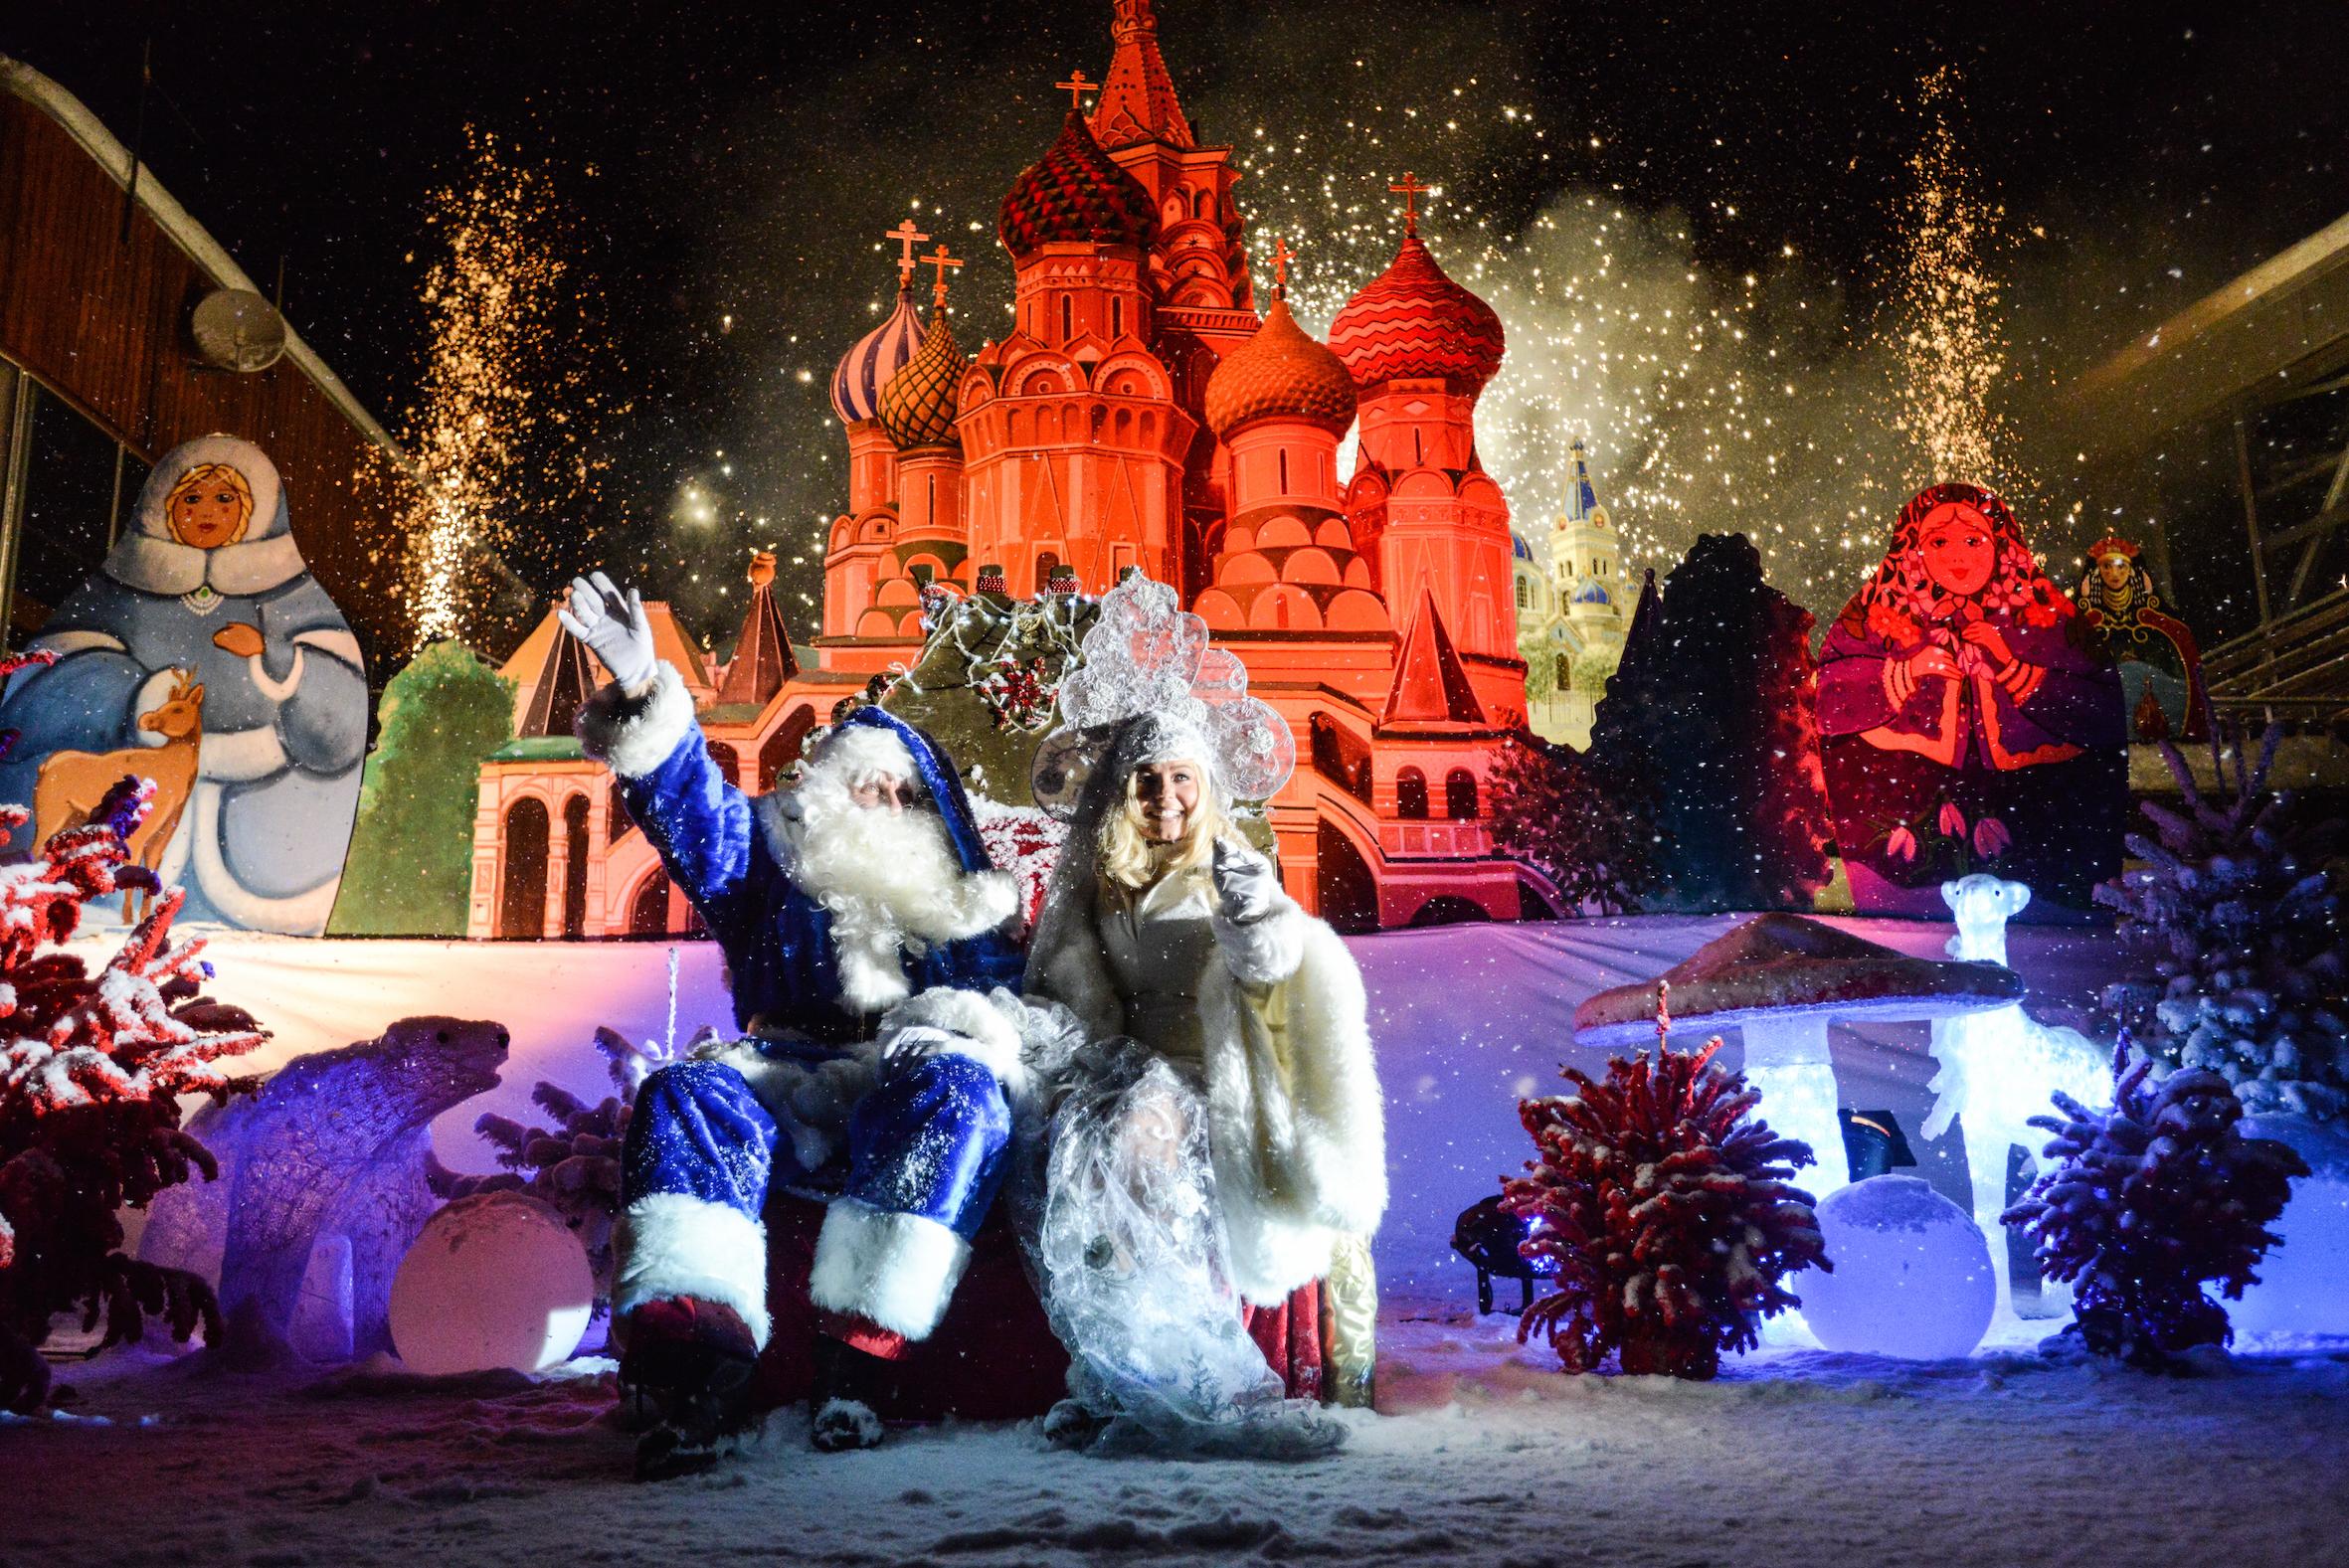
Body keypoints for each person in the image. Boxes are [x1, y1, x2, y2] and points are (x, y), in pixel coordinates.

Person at [561, 573, 1027, 1471]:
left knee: (966, 1087)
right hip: (782, 1071)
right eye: (865, 787)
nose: (884, 805)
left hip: (906, 1081)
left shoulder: (962, 908)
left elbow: (1009, 1019)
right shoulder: (767, 869)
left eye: (902, 794)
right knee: (684, 1094)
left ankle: (858, 1365)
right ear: (823, 794)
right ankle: (695, 1373)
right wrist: (641, 689)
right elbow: (691, 810)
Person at [1014, 701, 1385, 1454]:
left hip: (1211, 1070)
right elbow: (1064, 982)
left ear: (1205, 784)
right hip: (1119, 1067)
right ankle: (1111, 1370)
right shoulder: (1099, 879)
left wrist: (1257, 925)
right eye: (1147, 779)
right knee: (1076, 1164)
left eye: (1182, 777)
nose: (1165, 795)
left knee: (1132, 1144)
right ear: (1121, 790)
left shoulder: (1232, 866)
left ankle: (1194, 1372)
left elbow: (1279, 969)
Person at [0, 436, 367, 933]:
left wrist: (276, 658)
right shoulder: (114, 597)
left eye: (225, 499)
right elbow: (37, 685)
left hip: (258, 835)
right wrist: (132, 698)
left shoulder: (298, 603)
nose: (206, 512)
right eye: (191, 499)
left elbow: (338, 726)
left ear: (256, 513)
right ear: (162, 509)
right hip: (129, 801)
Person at [1817, 482, 2126, 917]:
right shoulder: (1875, 615)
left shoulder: (2049, 619)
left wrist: (2013, 668)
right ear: (1913, 550)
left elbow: (2098, 707)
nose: (1956, 556)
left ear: (2002, 546)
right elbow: (1831, 695)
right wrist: (1905, 671)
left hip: (2035, 812)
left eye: (1973, 540)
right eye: (1938, 542)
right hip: (1909, 816)